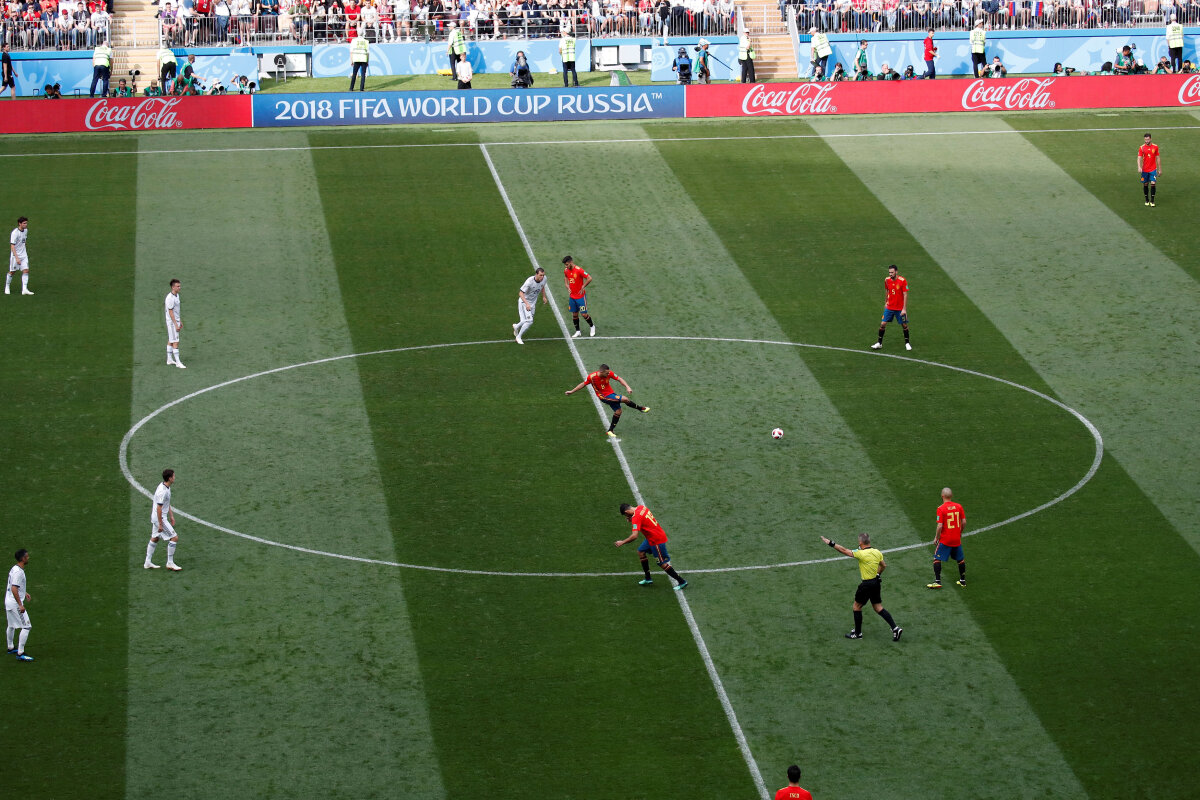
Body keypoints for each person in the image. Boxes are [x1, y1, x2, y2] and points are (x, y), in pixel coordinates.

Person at [820, 532, 902, 641]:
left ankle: (858, 634)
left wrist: (830, 543)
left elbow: (844, 550)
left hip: (866, 585)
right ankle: (895, 628)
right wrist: (878, 574)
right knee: (878, 607)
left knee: (856, 607)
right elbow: (883, 565)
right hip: (876, 583)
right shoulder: (877, 552)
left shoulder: (860, 553)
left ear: (860, 542)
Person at [615, 503, 687, 590]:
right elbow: (643, 519)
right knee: (640, 552)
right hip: (652, 537)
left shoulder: (635, 517)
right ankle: (648, 578)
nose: (627, 517)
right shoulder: (641, 507)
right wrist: (632, 519)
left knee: (661, 563)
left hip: (656, 540)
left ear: (627, 511)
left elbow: (634, 536)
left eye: (626, 515)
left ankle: (682, 581)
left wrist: (622, 542)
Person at [564, 363, 648, 437]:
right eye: (607, 373)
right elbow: (583, 384)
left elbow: (619, 379)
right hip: (603, 396)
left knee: (618, 411)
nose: (608, 374)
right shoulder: (592, 377)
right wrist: (572, 391)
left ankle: (610, 431)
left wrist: (627, 387)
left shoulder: (608, 373)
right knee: (625, 399)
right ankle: (640, 408)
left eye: (608, 372)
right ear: (601, 372)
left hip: (612, 395)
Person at [145, 468, 183, 571]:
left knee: (155, 538)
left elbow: (167, 503)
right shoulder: (163, 491)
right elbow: (159, 508)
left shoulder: (165, 487)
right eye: (174, 476)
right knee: (174, 537)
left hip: (157, 517)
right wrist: (161, 524)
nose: (175, 477)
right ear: (170, 478)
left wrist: (171, 516)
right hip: (159, 518)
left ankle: (147, 562)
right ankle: (170, 563)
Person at [928, 487, 966, 589]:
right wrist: (960, 532)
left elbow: (940, 525)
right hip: (956, 538)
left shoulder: (941, 509)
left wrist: (936, 537)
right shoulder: (959, 506)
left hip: (946, 539)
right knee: (960, 559)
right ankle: (962, 581)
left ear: (942, 496)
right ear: (951, 496)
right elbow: (964, 522)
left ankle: (937, 581)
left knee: (937, 558)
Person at [870, 264, 909, 351]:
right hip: (890, 307)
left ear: (896, 272)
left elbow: (905, 294)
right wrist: (886, 302)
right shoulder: (887, 280)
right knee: (883, 324)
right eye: (889, 272)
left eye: (892, 272)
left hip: (899, 308)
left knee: (904, 325)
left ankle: (907, 343)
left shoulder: (902, 281)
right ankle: (879, 343)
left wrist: (904, 309)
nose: (890, 274)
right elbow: (887, 290)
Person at [5, 549, 33, 662]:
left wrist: (24, 592)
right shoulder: (18, 572)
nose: (28, 557)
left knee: (11, 625)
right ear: (23, 558)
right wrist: (20, 605)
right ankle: (20, 653)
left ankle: (10, 647)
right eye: (27, 556)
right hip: (15, 604)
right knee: (27, 626)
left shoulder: (15, 568)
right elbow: (13, 588)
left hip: (8, 601)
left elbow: (15, 585)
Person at [562, 255, 596, 338]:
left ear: (571, 262)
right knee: (574, 314)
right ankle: (578, 331)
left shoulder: (579, 270)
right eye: (565, 265)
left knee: (584, 314)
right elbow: (566, 277)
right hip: (572, 297)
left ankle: (592, 326)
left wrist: (583, 286)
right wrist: (567, 285)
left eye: (567, 264)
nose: (566, 266)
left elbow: (589, 278)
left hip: (580, 297)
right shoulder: (566, 270)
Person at [512, 267, 547, 345]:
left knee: (525, 320)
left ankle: (516, 326)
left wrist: (544, 296)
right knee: (529, 321)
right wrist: (527, 304)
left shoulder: (544, 279)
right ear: (536, 274)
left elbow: (542, 286)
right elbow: (520, 293)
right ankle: (518, 337)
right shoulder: (529, 282)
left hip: (532, 304)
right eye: (541, 275)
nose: (542, 277)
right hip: (524, 302)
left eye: (543, 275)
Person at [7, 216, 31, 296]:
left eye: (26, 223)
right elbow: (12, 246)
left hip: (24, 255)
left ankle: (24, 289)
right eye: (24, 223)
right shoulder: (14, 233)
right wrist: (16, 258)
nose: (26, 225)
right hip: (15, 256)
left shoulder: (26, 231)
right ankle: (7, 286)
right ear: (19, 223)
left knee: (26, 270)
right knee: (12, 272)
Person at [165, 278, 185, 368]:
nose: (179, 287)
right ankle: (178, 362)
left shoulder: (177, 295)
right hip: (172, 323)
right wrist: (176, 324)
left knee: (171, 340)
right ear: (173, 287)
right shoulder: (170, 298)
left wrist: (179, 320)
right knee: (176, 341)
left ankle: (169, 359)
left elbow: (176, 311)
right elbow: (171, 312)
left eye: (179, 286)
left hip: (175, 321)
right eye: (178, 286)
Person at [1138, 132, 1160, 207]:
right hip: (1145, 170)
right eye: (1145, 140)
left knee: (1153, 183)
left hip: (1153, 169)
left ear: (1150, 139)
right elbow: (1139, 158)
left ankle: (1152, 201)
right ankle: (1146, 199)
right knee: (1145, 184)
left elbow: (1158, 157)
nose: (1146, 141)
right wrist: (1139, 166)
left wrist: (1160, 169)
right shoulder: (1142, 147)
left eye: (1148, 139)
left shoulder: (1155, 147)